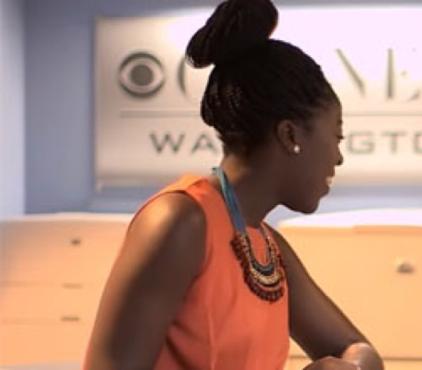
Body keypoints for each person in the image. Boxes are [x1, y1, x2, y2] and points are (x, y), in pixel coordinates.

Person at [84, 0, 383, 369]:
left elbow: (357, 349)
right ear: (290, 135)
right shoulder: (179, 221)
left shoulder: (269, 247)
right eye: (337, 137)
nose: (338, 158)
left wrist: (350, 367)